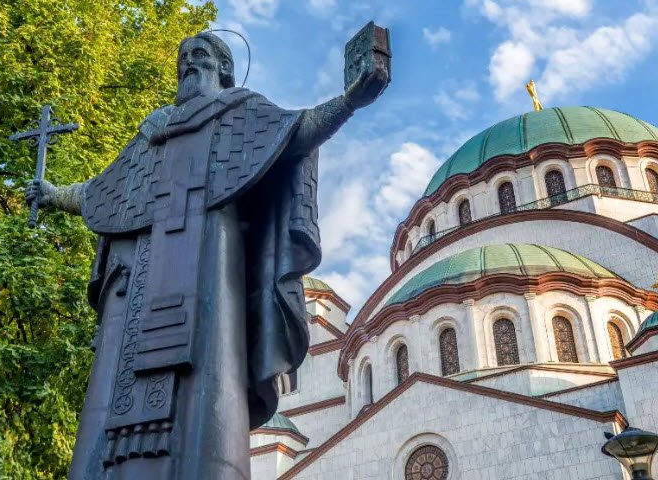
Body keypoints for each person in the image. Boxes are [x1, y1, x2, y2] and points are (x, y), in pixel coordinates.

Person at [26, 31, 388, 479]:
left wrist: (350, 100)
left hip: (213, 270)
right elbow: (107, 192)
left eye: (198, 55)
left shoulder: (243, 113)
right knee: (110, 396)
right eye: (181, 57)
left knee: (209, 391)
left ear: (224, 68)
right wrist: (53, 193)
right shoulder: (151, 132)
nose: (187, 63)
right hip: (137, 283)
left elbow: (298, 130)